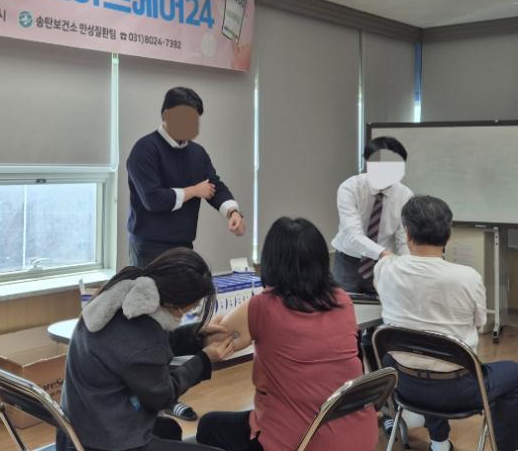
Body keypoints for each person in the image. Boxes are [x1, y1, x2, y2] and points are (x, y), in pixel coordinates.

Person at [195, 217, 378, 451]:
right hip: (359, 437)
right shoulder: (342, 299)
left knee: (209, 426)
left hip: (302, 443)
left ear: (271, 261)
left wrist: (210, 325)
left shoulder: (263, 307)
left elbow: (214, 340)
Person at [375, 196, 518, 451]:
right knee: (513, 373)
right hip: (459, 392)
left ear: (407, 233)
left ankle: (439, 444)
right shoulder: (467, 277)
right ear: (448, 234)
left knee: (418, 353)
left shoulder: (384, 269)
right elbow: (480, 322)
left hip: (404, 385)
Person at [57, 248, 235, 451]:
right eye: (193, 304)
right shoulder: (140, 334)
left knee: (169, 429)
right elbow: (164, 395)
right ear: (173, 301)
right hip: (104, 442)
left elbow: (142, 351)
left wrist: (196, 334)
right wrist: (204, 360)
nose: (194, 308)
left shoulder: (123, 293)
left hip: (81, 425)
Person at [127, 86, 246, 269]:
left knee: (185, 288)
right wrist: (194, 191)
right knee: (150, 289)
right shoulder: (144, 149)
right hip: (149, 247)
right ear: (166, 115)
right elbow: (153, 199)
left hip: (184, 245)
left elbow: (214, 186)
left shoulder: (197, 153)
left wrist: (233, 212)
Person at [332, 136, 413, 294]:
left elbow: (402, 239)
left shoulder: (405, 195)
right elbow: (353, 234)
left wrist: (407, 264)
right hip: (349, 259)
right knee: (344, 302)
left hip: (384, 263)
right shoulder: (350, 188)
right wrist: (382, 253)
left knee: (382, 304)